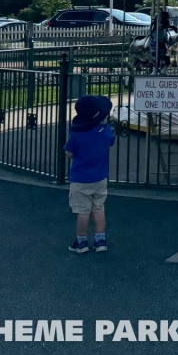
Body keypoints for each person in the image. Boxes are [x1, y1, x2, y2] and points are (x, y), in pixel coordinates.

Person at [64, 95, 116, 253]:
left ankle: (81, 241)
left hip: (80, 179)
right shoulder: (105, 130)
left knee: (82, 211)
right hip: (100, 177)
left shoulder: (77, 134)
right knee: (99, 208)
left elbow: (68, 153)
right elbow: (111, 141)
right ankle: (100, 240)